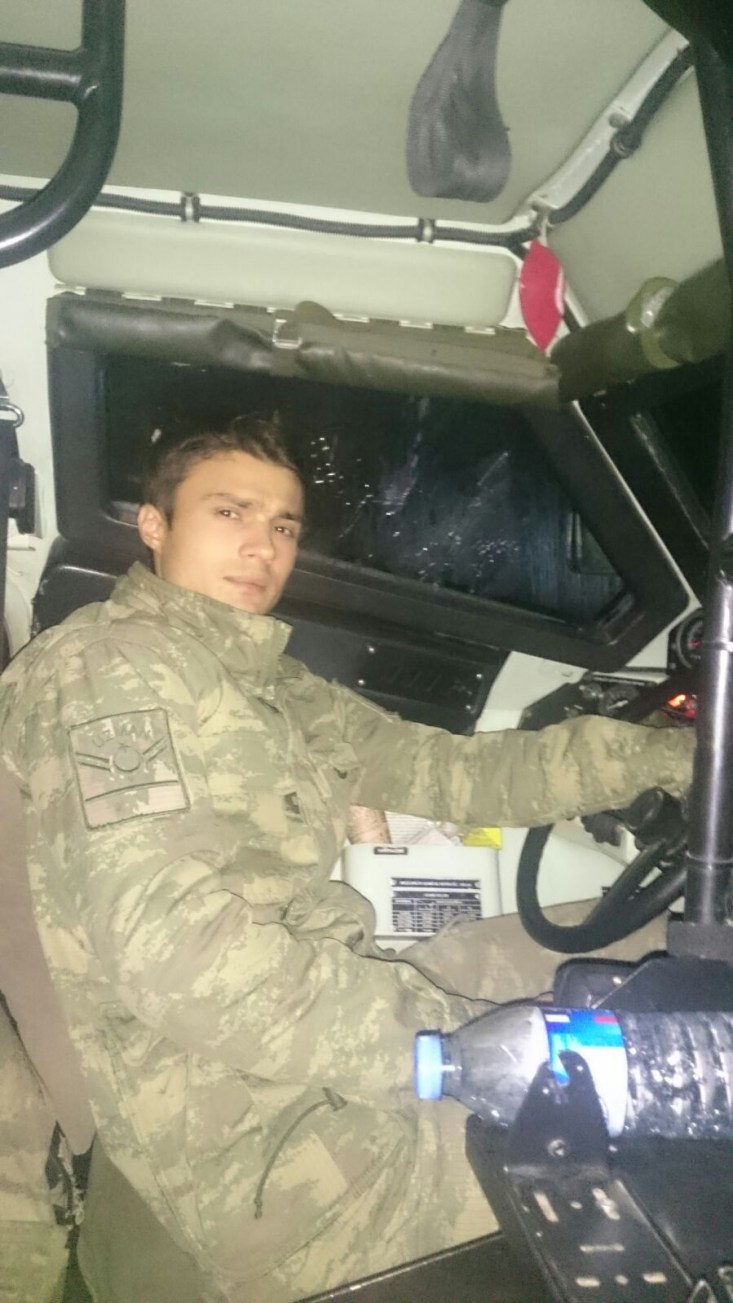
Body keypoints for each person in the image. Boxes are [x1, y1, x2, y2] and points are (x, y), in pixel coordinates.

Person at [0, 415, 694, 1303]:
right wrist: (454, 1042)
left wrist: (673, 758)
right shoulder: (111, 667)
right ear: (154, 525)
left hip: (320, 1017)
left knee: (642, 967)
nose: (263, 547)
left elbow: (443, 767)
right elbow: (177, 958)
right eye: (229, 512)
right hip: (285, 1148)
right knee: (678, 1140)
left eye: (283, 525)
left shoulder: (256, 678)